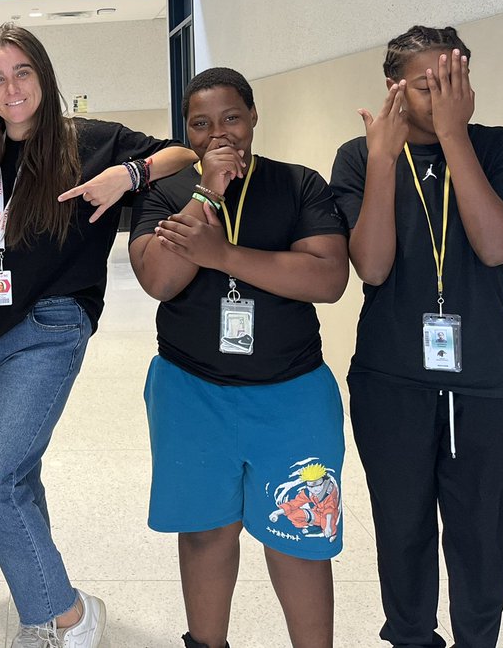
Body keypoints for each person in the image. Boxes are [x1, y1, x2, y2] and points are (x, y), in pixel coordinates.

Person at [0, 23, 196, 648]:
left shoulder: (93, 141)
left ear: (44, 77)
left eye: (22, 72)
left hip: (50, 326)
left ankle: (69, 615)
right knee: (18, 478)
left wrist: (129, 174)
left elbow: (182, 153)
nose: (11, 87)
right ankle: (40, 613)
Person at [330, 26, 503, 648]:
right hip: (391, 378)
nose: (445, 94)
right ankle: (412, 637)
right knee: (402, 527)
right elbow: (370, 266)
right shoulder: (358, 155)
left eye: (456, 80)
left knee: (481, 529)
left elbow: (497, 245)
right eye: (428, 85)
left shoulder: (495, 146)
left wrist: (453, 135)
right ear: (395, 90)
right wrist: (383, 159)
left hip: (486, 381)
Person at [129, 67, 350, 648]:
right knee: (205, 532)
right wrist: (207, 193)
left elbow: (328, 278)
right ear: (187, 132)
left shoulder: (299, 184)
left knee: (299, 539)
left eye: (231, 117)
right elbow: (159, 279)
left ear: (253, 117)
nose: (217, 132)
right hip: (189, 390)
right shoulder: (166, 194)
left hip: (293, 391)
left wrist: (222, 255)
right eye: (200, 124)